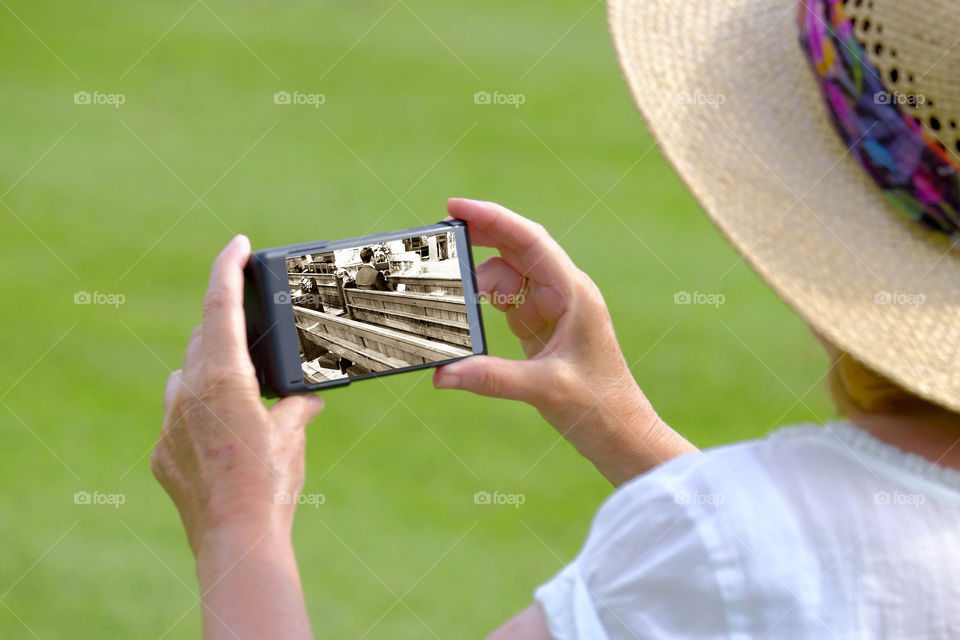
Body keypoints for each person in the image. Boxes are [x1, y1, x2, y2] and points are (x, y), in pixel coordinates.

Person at [150, 0, 960, 637]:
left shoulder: (709, 548)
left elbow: (756, 572)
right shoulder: (747, 544)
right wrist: (616, 421)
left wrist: (237, 524)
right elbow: (804, 587)